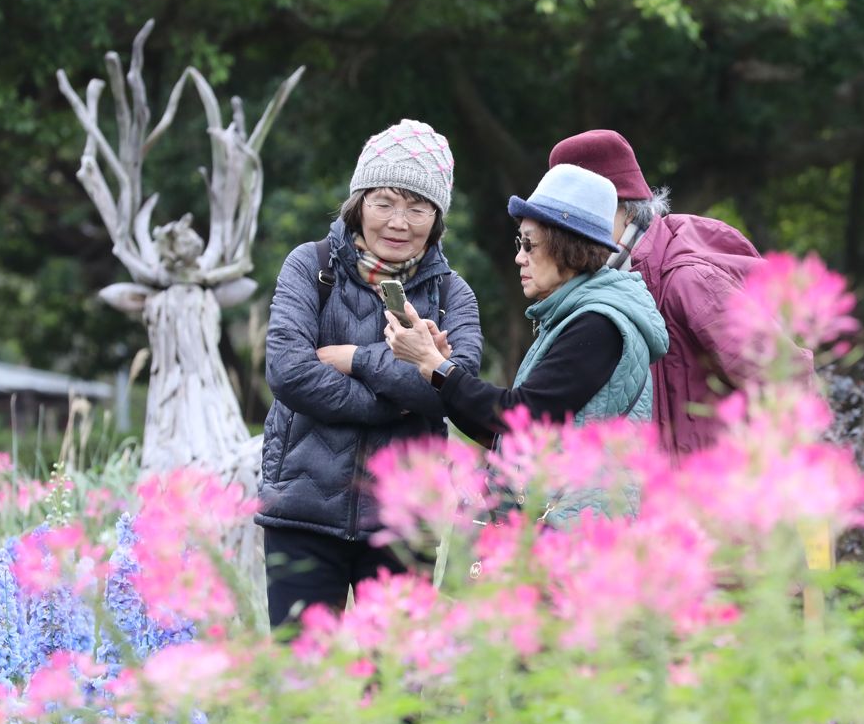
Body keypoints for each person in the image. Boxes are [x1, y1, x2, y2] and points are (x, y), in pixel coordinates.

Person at [257, 119, 482, 628]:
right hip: (302, 511)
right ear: (358, 203)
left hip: (405, 526)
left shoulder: (453, 296)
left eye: (417, 206)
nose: (399, 222)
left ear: (437, 215)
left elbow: (459, 391)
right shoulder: (309, 267)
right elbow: (289, 373)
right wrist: (403, 392)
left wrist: (353, 359)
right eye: (384, 202)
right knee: (301, 684)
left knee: (398, 694)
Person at [384, 163, 668, 521]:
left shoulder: (598, 323)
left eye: (528, 244)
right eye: (519, 243)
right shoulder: (576, 314)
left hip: (571, 538)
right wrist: (439, 370)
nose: (519, 256)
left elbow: (520, 416)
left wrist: (435, 366)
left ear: (567, 245)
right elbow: (501, 433)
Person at [548, 129, 785, 456]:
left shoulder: (688, 280)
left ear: (626, 208)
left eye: (587, 214)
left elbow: (785, 381)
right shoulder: (598, 286)